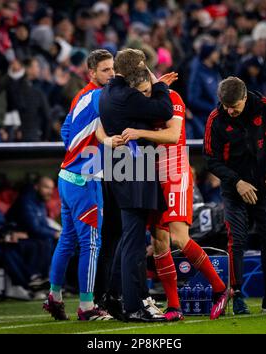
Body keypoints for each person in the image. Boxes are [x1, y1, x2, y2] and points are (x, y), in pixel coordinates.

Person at [121, 67, 230, 321]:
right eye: (140, 93)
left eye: (147, 90)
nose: (145, 96)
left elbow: (172, 135)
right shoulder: (140, 103)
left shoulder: (172, 98)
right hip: (151, 173)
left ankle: (220, 289)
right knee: (159, 241)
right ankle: (174, 306)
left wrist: (139, 132)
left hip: (175, 171)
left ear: (151, 82)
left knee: (180, 238)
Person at [43, 49, 123, 321]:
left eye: (113, 68)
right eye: (105, 70)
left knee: (67, 241)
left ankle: (54, 296)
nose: (112, 74)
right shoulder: (102, 96)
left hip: (66, 176)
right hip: (84, 180)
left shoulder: (81, 96)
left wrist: (78, 151)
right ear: (91, 73)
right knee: (90, 244)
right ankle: (87, 307)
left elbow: (66, 130)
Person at [100, 48, 173, 322]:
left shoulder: (108, 92)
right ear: (136, 69)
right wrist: (160, 84)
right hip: (134, 168)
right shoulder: (127, 96)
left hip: (118, 168)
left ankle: (116, 296)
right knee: (132, 241)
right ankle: (133, 306)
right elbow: (164, 109)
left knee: (127, 238)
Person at [203, 76, 266, 314]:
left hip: (265, 186)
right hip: (233, 189)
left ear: (245, 97)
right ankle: (237, 296)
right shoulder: (215, 119)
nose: (230, 111)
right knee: (236, 239)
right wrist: (237, 182)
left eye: (234, 107)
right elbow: (211, 160)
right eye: (226, 106)